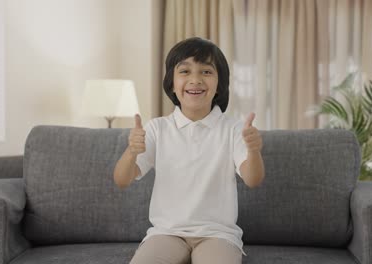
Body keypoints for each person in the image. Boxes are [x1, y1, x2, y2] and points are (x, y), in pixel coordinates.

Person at [113, 37, 265, 264]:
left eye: (206, 72)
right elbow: (121, 179)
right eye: (185, 71)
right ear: (172, 83)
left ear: (219, 84)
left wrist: (253, 151)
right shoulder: (158, 128)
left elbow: (253, 179)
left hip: (217, 235)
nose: (195, 80)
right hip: (166, 233)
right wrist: (132, 151)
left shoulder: (233, 129)